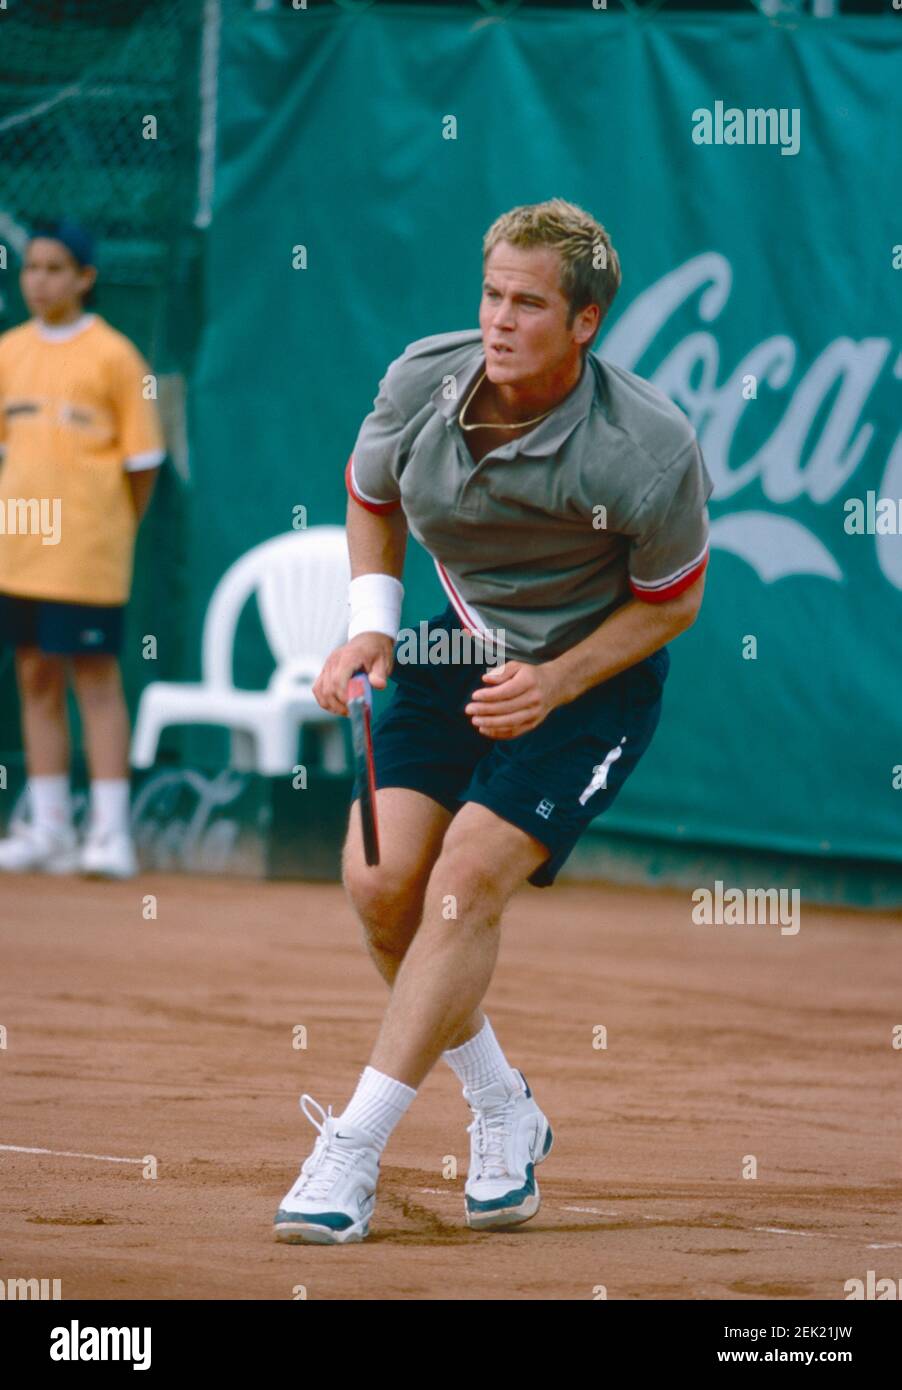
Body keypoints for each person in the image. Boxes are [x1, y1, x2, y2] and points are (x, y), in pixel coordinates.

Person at [274, 198, 714, 1244]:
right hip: (454, 646)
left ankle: (353, 1147)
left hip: (589, 683)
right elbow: (369, 494)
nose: (499, 322)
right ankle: (504, 1105)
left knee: (462, 886)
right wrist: (373, 627)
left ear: (585, 323)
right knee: (385, 885)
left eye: (527, 304)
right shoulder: (419, 381)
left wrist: (556, 682)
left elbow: (673, 602)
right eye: (490, 296)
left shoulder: (646, 448)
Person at [0, 220, 165, 878]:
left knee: (95, 683)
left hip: (89, 554)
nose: (39, 280)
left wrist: (110, 527)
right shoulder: (8, 351)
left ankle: (110, 834)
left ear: (85, 278)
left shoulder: (117, 357)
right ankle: (48, 829)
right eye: (31, 267)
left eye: (55, 268)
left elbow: (143, 462)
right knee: (34, 678)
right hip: (19, 552)